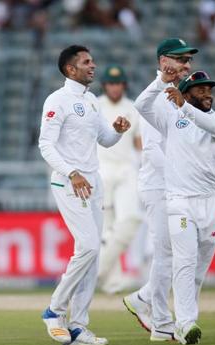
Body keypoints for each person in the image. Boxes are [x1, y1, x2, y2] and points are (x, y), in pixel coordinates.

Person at [39, 45, 130, 345]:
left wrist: (117, 131)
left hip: (93, 183)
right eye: (86, 62)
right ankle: (54, 310)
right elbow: (46, 145)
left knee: (92, 257)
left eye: (92, 61)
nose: (93, 66)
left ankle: (78, 326)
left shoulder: (91, 100)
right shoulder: (58, 100)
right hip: (70, 183)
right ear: (70, 69)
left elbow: (104, 139)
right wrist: (71, 172)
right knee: (89, 246)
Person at [123, 38, 198, 343]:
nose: (188, 66)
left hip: (175, 185)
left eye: (188, 60)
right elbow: (152, 151)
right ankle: (161, 322)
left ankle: (143, 300)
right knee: (166, 254)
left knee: (171, 254)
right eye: (181, 60)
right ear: (164, 61)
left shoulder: (178, 96)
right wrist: (182, 177)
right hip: (159, 185)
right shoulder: (153, 97)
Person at [95, 64, 143, 294]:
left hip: (126, 168)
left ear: (124, 85)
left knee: (130, 220)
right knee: (105, 229)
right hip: (100, 168)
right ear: (105, 85)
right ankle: (111, 281)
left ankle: (97, 273)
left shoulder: (132, 108)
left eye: (119, 83)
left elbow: (140, 144)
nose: (115, 87)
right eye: (111, 83)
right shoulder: (94, 105)